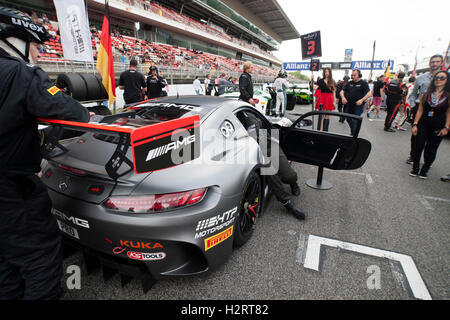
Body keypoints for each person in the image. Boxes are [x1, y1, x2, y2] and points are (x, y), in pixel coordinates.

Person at [0, 7, 91, 300]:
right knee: (39, 257)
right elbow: (74, 113)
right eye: (37, 46)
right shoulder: (19, 73)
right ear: (17, 40)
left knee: (5, 259)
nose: (38, 54)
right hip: (11, 189)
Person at [236, 110, 306, 220]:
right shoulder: (228, 121)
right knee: (270, 174)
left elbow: (269, 122)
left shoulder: (249, 111)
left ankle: (294, 183)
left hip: (268, 143)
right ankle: (287, 202)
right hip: (252, 150)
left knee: (289, 176)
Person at [409, 71, 450, 179]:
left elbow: (449, 113)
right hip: (423, 124)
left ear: (447, 81)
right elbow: (420, 111)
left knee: (431, 149)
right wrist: (415, 124)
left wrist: (446, 127)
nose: (438, 79)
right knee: (418, 147)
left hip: (438, 126)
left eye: (442, 78)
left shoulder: (448, 96)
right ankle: (415, 168)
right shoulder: (425, 94)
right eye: (437, 77)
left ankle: (425, 170)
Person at [406, 54, 444, 164]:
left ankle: (428, 161)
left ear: (441, 63)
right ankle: (413, 156)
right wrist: (414, 106)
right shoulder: (421, 78)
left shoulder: (445, 77)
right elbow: (413, 94)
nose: (435, 64)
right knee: (416, 135)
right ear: (429, 63)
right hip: (420, 109)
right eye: (433, 62)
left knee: (433, 138)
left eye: (437, 62)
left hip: (438, 111)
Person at [340, 69, 372, 136]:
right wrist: (343, 97)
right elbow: (342, 91)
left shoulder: (364, 83)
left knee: (355, 120)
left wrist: (362, 100)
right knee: (348, 119)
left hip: (358, 105)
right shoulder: (349, 83)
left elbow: (369, 94)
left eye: (354, 75)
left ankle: (354, 135)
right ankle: (353, 131)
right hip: (349, 105)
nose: (353, 76)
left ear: (359, 75)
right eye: (352, 75)